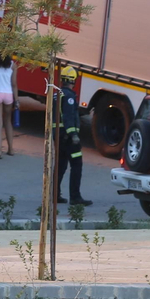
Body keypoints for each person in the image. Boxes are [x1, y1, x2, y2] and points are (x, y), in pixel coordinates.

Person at [54, 67, 91, 206]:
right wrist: (73, 134)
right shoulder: (69, 96)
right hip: (68, 138)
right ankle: (75, 197)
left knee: (61, 165)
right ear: (73, 80)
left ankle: (54, 195)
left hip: (58, 136)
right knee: (76, 165)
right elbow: (68, 116)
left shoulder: (57, 94)